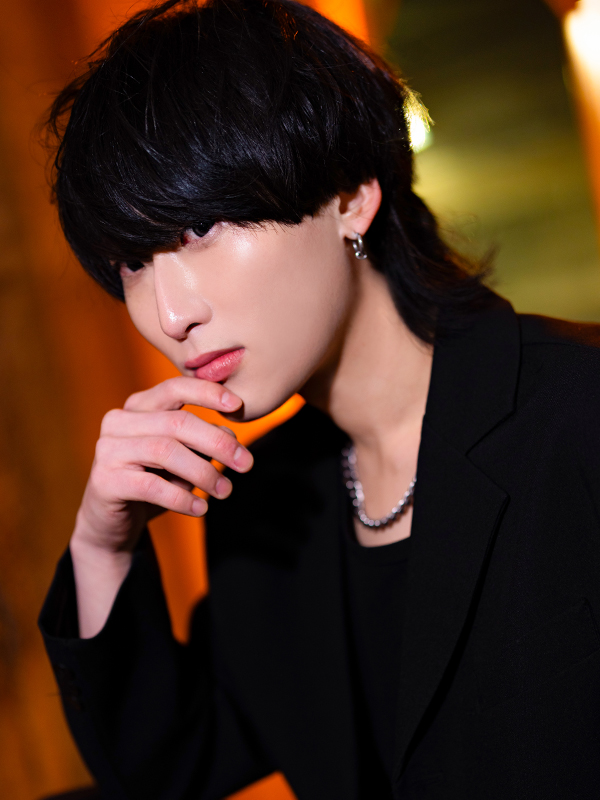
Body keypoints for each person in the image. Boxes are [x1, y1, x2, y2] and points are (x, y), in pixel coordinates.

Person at [39, 0, 600, 798]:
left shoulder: (577, 414)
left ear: (350, 195)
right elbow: (170, 769)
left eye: (200, 227)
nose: (170, 313)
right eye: (133, 262)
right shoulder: (262, 501)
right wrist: (104, 544)